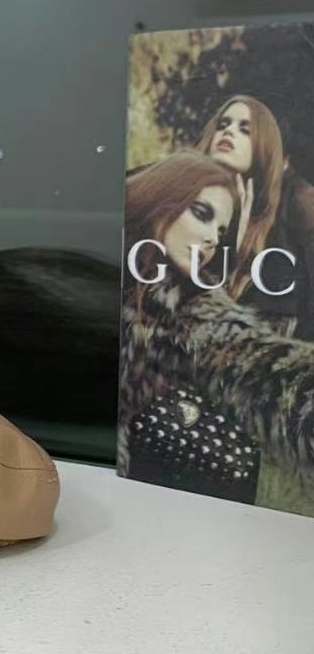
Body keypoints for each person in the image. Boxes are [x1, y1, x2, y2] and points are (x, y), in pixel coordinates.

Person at [119, 152, 314, 508]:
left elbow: (261, 368)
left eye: (221, 231)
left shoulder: (190, 307)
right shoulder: (94, 263)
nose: (212, 239)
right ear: (160, 195)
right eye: (202, 214)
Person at [196, 95, 314, 337]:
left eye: (245, 130)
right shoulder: (189, 193)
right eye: (223, 124)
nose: (229, 131)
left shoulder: (298, 198)